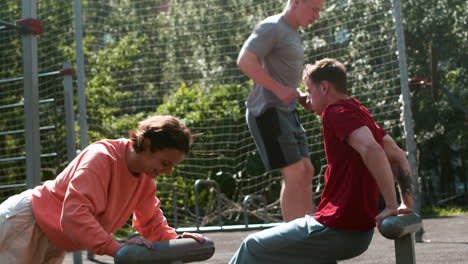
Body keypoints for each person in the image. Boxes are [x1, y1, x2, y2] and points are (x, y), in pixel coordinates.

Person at [229, 58, 414, 264]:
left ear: (324, 87)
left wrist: (390, 205)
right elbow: (397, 155)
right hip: (356, 233)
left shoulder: (335, 113)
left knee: (252, 246)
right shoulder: (357, 112)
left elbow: (372, 149)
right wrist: (406, 203)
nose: (308, 97)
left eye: (309, 90)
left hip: (336, 226)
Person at [0, 115, 205, 263]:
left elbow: (151, 223)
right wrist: (115, 248)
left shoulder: (145, 181)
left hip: (53, 238)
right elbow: (74, 214)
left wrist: (177, 243)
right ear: (147, 144)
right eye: (165, 163)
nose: (167, 172)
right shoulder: (102, 157)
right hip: (26, 224)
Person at [237, 0, 324, 222]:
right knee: (295, 173)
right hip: (267, 111)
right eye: (313, 9)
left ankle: (306, 232)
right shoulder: (272, 26)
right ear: (296, 2)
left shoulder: (291, 32)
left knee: (306, 170)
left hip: (287, 110)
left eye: (319, 10)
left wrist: (295, 93)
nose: (317, 16)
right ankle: (294, 239)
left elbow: (279, 77)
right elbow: (245, 61)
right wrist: (279, 90)